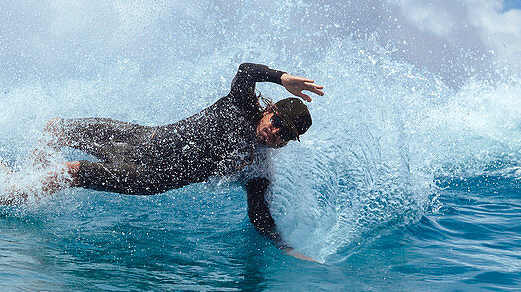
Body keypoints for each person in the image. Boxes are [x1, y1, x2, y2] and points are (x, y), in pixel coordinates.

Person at [40, 62, 323, 260]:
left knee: (70, 173)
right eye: (277, 123)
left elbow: (260, 216)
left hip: (148, 176)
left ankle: (8, 192)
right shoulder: (240, 103)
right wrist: (282, 78)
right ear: (269, 110)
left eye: (284, 134)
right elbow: (246, 70)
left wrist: (286, 249)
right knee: (55, 129)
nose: (275, 133)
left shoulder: (257, 167)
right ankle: (26, 177)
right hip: (143, 139)